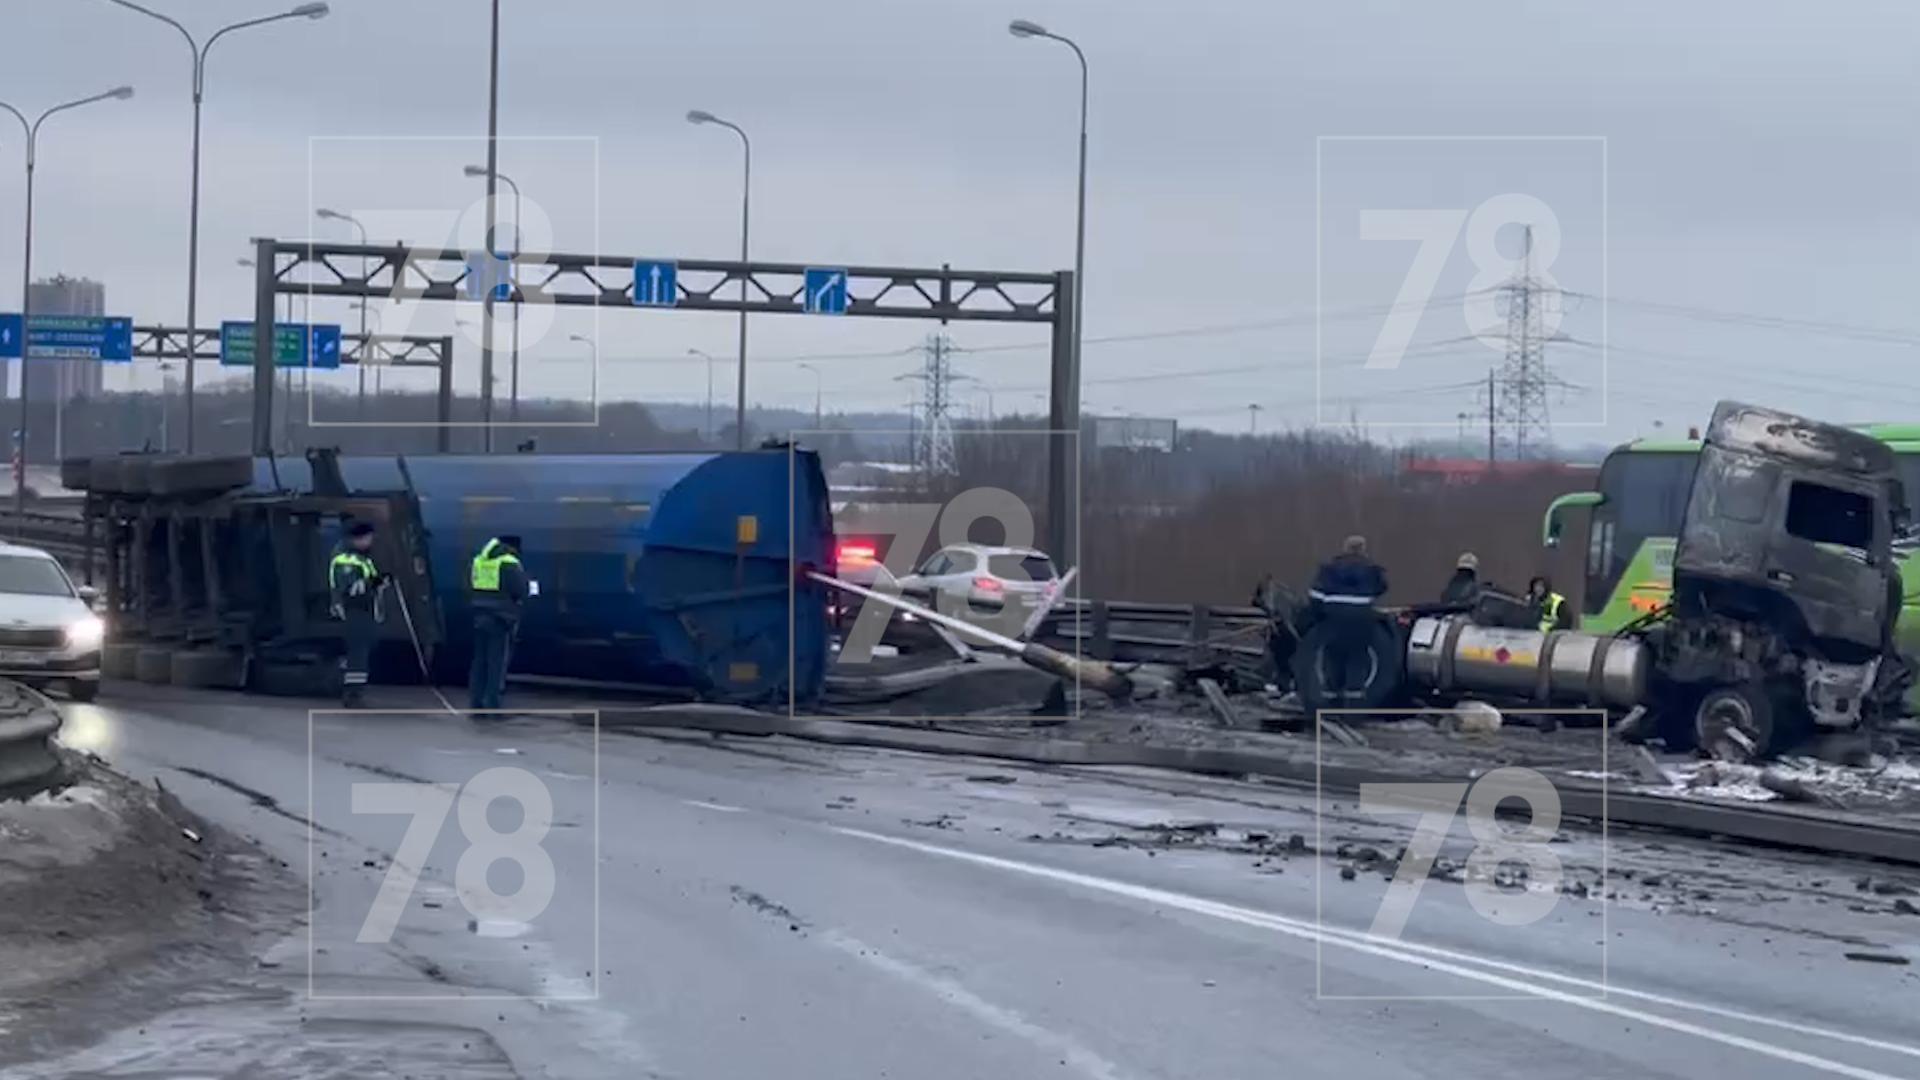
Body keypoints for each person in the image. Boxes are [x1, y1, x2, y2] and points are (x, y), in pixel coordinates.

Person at [1309, 535, 1389, 704]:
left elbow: (1315, 594)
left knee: (1332, 657)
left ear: (1345, 548)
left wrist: (1318, 614)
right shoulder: (1371, 569)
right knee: (1357, 658)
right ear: (1363, 549)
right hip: (1360, 619)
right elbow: (1381, 588)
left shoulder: (1330, 568)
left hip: (1333, 618)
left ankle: (1330, 702)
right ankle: (1353, 705)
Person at [468, 534, 530, 713]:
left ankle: (476, 700)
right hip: (501, 618)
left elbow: (471, 584)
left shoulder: (479, 560)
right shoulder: (509, 563)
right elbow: (520, 589)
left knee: (479, 660)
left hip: (479, 615)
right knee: (497, 661)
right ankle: (492, 701)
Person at [329, 521, 385, 708]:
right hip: (355, 611)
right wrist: (376, 583)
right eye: (368, 538)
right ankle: (352, 694)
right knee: (357, 654)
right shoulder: (347, 561)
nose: (370, 542)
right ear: (358, 539)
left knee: (361, 652)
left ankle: (355, 691)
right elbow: (353, 589)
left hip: (363, 611)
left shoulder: (361, 559)